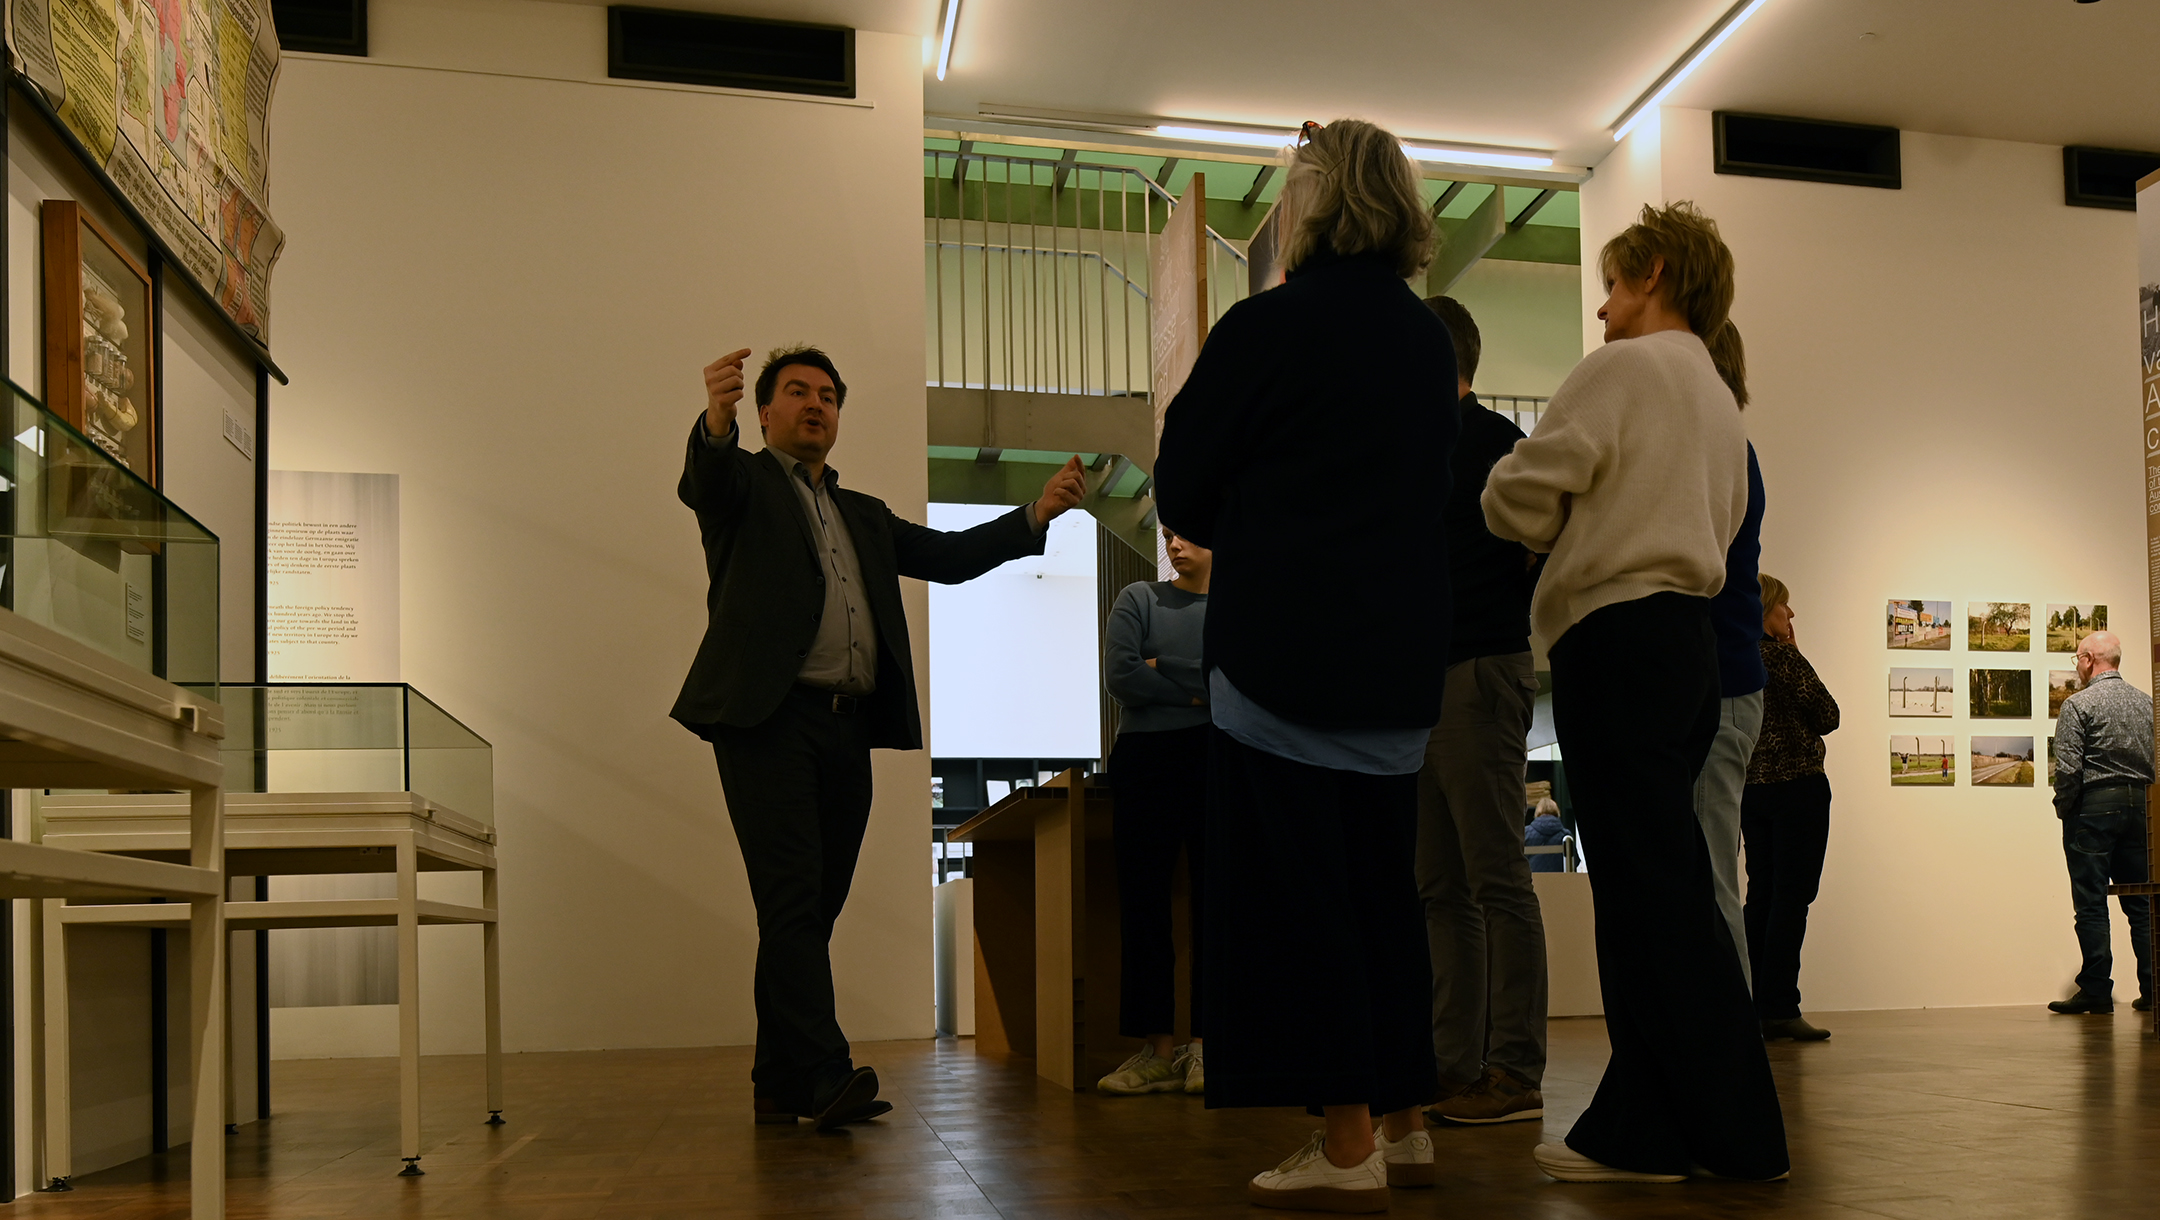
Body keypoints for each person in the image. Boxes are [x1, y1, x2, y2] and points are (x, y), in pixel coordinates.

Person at [1155, 118, 1453, 1213]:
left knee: (1301, 896)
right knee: (1385, 890)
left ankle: (1343, 1141)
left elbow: (1182, 485)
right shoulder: (1427, 344)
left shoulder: (1267, 327)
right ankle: (1409, 1117)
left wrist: (1256, 505)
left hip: (1284, 656)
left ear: (1312, 206)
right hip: (1398, 660)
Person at [671, 344, 1087, 1130]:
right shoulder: (744, 486)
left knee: (809, 911)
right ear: (766, 413)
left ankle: (777, 1078)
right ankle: (825, 1073)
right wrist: (715, 420)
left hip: (846, 728)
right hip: (767, 721)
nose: (815, 405)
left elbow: (951, 557)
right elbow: (706, 481)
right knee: (793, 900)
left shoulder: (861, 512)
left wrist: (1036, 514)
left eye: (827, 395)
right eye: (796, 393)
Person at [1483, 201, 1787, 1184]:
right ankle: (1648, 1120)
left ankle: (1739, 1129)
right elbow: (1729, 515)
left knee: (1652, 894)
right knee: (1656, 886)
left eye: (1612, 285)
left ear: (1654, 272)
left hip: (1617, 637)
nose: (1604, 312)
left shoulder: (1624, 369)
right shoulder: (1716, 400)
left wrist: (1559, 525)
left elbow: (1514, 492)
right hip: (1689, 646)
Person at [1413, 295, 1548, 1128]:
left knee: (1495, 877)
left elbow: (1544, 543)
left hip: (1477, 672)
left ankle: (1513, 1070)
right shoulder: (1419, 446)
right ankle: (1451, 1061)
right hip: (1426, 681)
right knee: (1440, 884)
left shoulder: (1499, 446)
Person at [1097, 527, 1212, 1096]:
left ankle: (1207, 1047)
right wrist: (1197, 691)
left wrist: (1161, 667)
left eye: (1189, 535)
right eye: (1169, 534)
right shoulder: (1138, 597)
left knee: (1220, 904)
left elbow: (1241, 681)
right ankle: (1157, 1049)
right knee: (1143, 903)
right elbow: (1121, 674)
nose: (1175, 544)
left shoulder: (1238, 609)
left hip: (1219, 758)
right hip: (1145, 760)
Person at [1695, 322, 1767, 991]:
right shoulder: (1727, 449)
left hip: (1718, 686)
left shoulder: (1721, 450)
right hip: (1718, 682)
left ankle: (1729, 1060)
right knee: (1706, 878)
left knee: (1713, 879)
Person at [1742, 573, 1840, 1041]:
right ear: (1765, 612)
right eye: (1784, 607)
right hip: (1798, 787)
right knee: (1791, 897)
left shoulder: (1737, 659)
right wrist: (1796, 656)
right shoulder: (1783, 659)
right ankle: (1780, 1005)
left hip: (1753, 790)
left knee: (1760, 895)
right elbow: (1829, 715)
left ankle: (1753, 1004)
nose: (1791, 615)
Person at [2047, 629, 2154, 1015]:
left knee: (2091, 902)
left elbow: (2068, 769)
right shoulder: (2147, 704)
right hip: (2142, 808)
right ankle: (2154, 989)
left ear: (2090, 660)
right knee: (2141, 902)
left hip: (2094, 808)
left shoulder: (2078, 704)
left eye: (2077, 658)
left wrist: (2065, 808)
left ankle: (2096, 989)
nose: (2076, 666)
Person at [1524, 799, 1568, 874]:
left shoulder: (1525, 832)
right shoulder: (1566, 836)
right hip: (1560, 881)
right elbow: (1573, 861)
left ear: (1537, 813)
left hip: (1532, 881)